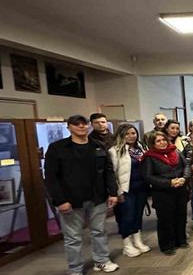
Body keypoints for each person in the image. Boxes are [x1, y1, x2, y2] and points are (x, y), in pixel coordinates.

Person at [45, 115, 119, 274]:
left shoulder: (98, 146)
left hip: (97, 197)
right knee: (73, 238)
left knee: (99, 232)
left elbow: (108, 171)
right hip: (70, 200)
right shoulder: (57, 148)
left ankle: (101, 261)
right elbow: (51, 177)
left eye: (84, 124)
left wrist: (113, 193)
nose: (81, 127)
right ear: (69, 127)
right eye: (76, 124)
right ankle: (75, 269)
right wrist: (60, 200)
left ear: (88, 126)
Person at [142, 131, 190, 256]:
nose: (162, 142)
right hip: (163, 193)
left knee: (181, 216)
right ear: (152, 143)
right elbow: (148, 176)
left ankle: (181, 240)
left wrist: (184, 178)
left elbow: (186, 166)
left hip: (180, 188)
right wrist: (169, 183)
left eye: (163, 140)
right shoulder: (149, 157)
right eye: (158, 141)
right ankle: (167, 245)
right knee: (165, 220)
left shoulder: (175, 151)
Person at [108, 123, 150, 258]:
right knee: (127, 216)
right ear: (121, 135)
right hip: (126, 189)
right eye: (127, 134)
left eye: (133, 133)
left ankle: (137, 240)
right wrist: (116, 192)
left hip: (141, 187)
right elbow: (112, 173)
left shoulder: (142, 148)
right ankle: (127, 244)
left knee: (138, 214)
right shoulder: (115, 151)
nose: (131, 136)